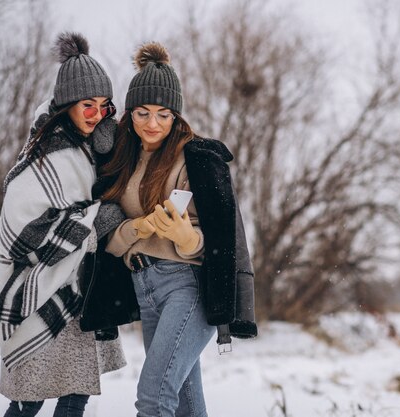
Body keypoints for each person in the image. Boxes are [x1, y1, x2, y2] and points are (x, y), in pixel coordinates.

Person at [100, 42, 257, 417]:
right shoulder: (122, 158)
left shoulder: (194, 159)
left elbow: (217, 243)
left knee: (154, 398)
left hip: (187, 288)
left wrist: (185, 237)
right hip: (145, 289)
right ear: (130, 112)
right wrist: (139, 227)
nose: (152, 124)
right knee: (186, 403)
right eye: (143, 113)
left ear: (176, 116)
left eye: (163, 114)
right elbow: (110, 240)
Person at [0, 32, 127, 417]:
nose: (96, 113)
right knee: (29, 399)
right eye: (87, 104)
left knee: (75, 393)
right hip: (41, 289)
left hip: (78, 290)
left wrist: (106, 146)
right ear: (66, 104)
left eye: (103, 105)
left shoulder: (85, 145)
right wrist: (95, 221)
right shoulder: (45, 155)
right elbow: (24, 231)